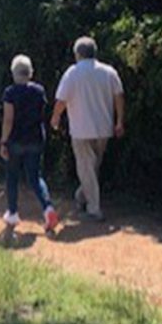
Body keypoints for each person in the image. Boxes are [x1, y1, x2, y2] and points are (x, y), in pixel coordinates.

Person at [50, 36, 125, 222]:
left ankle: (93, 209)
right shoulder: (108, 72)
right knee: (93, 167)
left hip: (81, 128)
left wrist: (55, 118)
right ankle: (82, 196)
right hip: (103, 127)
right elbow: (119, 96)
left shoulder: (72, 73)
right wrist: (119, 121)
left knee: (86, 169)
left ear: (78, 54)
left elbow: (61, 100)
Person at [0, 54, 59, 233]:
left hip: (16, 139)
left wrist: (3, 141)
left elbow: (8, 119)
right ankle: (48, 208)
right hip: (35, 138)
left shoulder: (10, 92)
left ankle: (13, 213)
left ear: (14, 72)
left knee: (12, 176)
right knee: (35, 177)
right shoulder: (39, 90)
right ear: (30, 72)